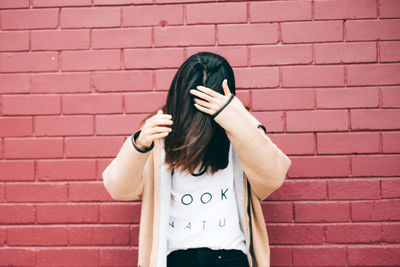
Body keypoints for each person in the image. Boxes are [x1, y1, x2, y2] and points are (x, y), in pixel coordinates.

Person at [102, 52, 292, 267]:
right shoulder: (158, 130)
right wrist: (139, 144)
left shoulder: (241, 129)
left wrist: (232, 116)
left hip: (229, 254)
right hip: (175, 257)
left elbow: (273, 177)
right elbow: (118, 189)